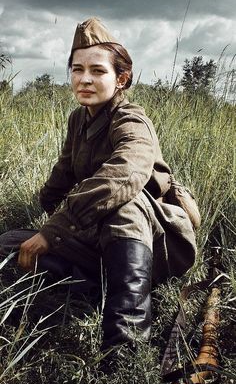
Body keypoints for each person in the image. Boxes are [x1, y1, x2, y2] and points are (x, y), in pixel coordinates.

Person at [0, 18, 196, 353]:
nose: (84, 79)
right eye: (77, 69)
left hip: (157, 242)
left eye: (97, 70)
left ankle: (125, 344)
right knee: (8, 247)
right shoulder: (79, 119)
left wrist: (55, 229)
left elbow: (125, 174)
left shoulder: (132, 120)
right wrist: (46, 219)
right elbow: (61, 179)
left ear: (121, 79)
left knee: (125, 202)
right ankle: (96, 286)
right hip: (101, 239)